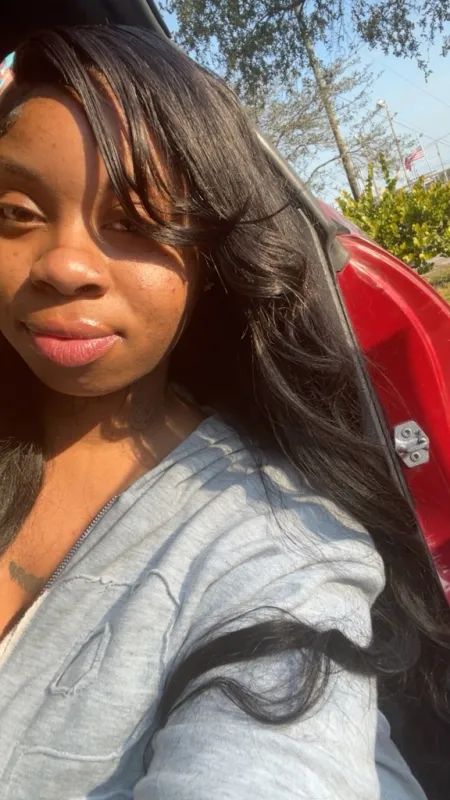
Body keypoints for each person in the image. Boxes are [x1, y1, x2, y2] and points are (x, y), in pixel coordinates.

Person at [0, 25, 448, 800]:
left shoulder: (281, 549)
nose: (66, 267)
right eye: (14, 211)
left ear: (209, 258)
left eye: (137, 220)